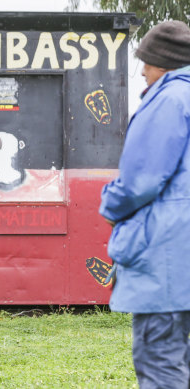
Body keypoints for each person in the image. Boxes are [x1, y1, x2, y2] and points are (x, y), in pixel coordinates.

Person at [99, 21, 190, 388]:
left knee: (160, 364)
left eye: (146, 63)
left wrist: (109, 206)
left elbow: (140, 181)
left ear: (165, 62)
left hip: (166, 257)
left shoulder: (168, 100)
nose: (142, 72)